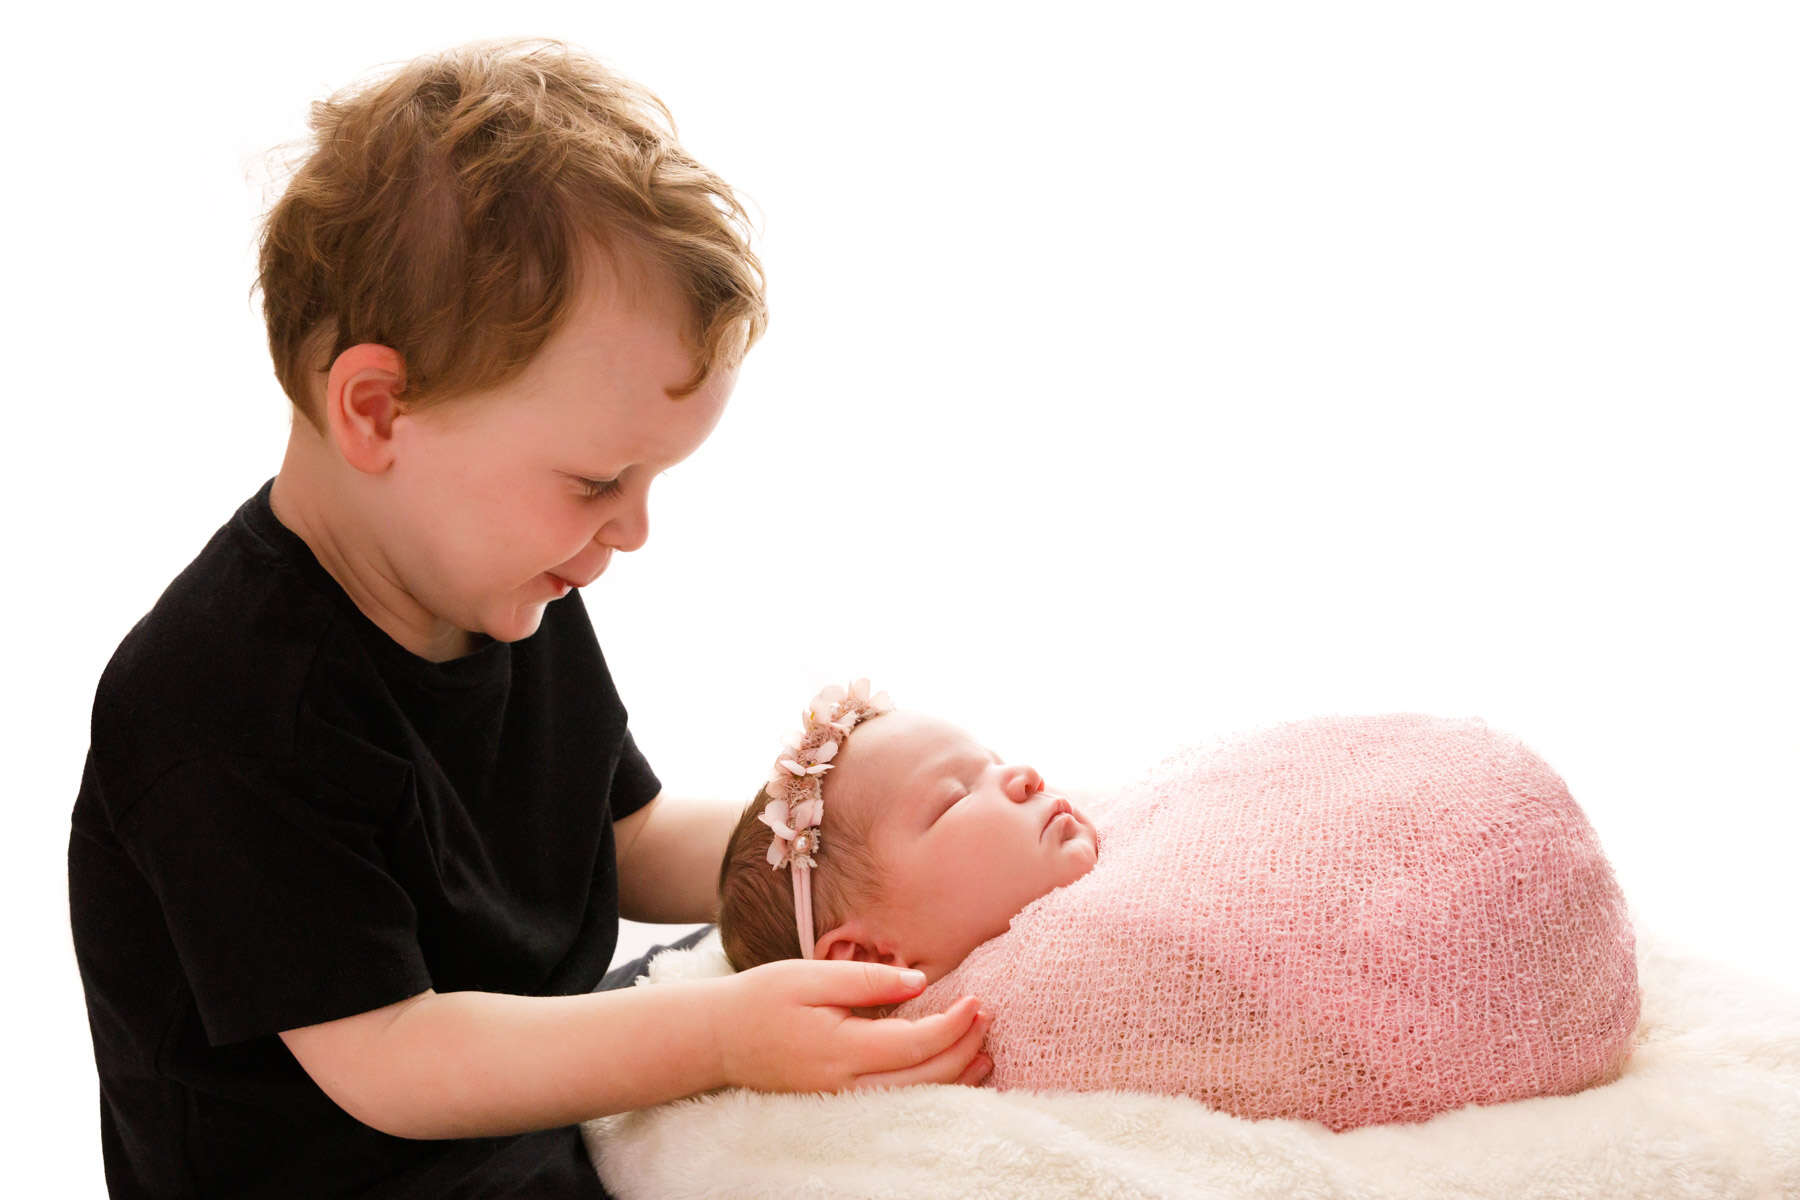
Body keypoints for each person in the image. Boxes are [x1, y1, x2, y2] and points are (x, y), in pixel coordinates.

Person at [67, 40, 989, 1199]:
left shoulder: (500, 581)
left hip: (536, 1123)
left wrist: (871, 845)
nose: (633, 530)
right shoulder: (216, 701)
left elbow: (626, 842)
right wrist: (722, 1037)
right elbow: (395, 1059)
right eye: (598, 481)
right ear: (377, 410)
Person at [718, 686, 1642, 1131]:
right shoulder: (1019, 1007)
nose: (1021, 774)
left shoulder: (1132, 830)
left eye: (992, 758)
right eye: (957, 798)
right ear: (872, 961)